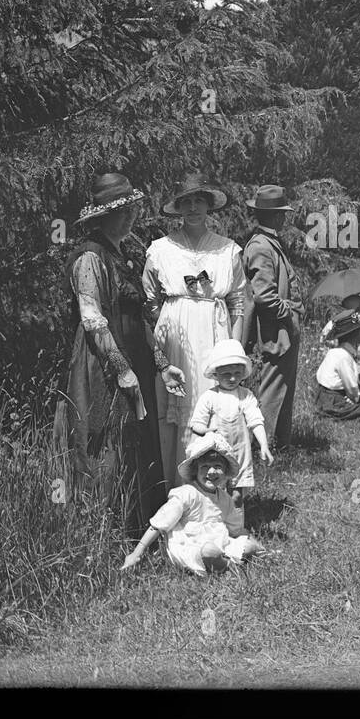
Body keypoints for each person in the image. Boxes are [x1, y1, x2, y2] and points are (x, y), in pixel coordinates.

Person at [54, 173, 186, 540]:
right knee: (106, 442)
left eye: (131, 209)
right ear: (101, 216)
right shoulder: (89, 258)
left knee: (135, 443)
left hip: (135, 362)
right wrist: (121, 369)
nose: (129, 217)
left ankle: (139, 528)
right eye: (121, 211)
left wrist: (161, 366)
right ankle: (104, 535)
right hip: (102, 365)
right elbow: (92, 317)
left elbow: (138, 317)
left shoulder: (120, 256)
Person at [143, 174, 246, 488]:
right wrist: (166, 336)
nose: (192, 208)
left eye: (198, 200)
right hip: (175, 343)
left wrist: (234, 354)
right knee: (175, 415)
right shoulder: (160, 250)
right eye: (185, 202)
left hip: (215, 337)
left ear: (209, 205)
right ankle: (177, 495)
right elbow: (149, 304)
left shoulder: (227, 250)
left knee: (215, 411)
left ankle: (215, 496)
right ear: (177, 208)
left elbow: (238, 302)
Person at [120, 434, 266, 575]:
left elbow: (236, 530)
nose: (211, 471)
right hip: (190, 545)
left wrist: (255, 545)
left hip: (219, 542)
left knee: (248, 547)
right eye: (205, 466)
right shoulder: (186, 494)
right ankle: (227, 565)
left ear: (225, 470)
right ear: (195, 470)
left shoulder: (225, 499)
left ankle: (222, 562)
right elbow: (158, 524)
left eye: (217, 466)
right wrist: (136, 553)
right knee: (210, 552)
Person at [239, 185, 303, 452]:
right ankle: (264, 447)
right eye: (281, 214)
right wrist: (289, 315)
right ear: (276, 217)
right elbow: (264, 295)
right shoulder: (261, 247)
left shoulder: (268, 243)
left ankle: (279, 443)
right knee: (273, 391)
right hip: (274, 332)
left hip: (281, 330)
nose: (284, 219)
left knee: (283, 387)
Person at [189, 339, 272, 537]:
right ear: (215, 374)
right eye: (226, 374)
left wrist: (264, 445)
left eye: (237, 373)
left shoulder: (245, 396)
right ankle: (214, 529)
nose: (232, 379)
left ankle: (236, 530)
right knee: (214, 492)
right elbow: (196, 424)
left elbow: (255, 420)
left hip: (239, 454)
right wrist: (208, 430)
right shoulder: (210, 397)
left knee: (236, 495)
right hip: (216, 456)